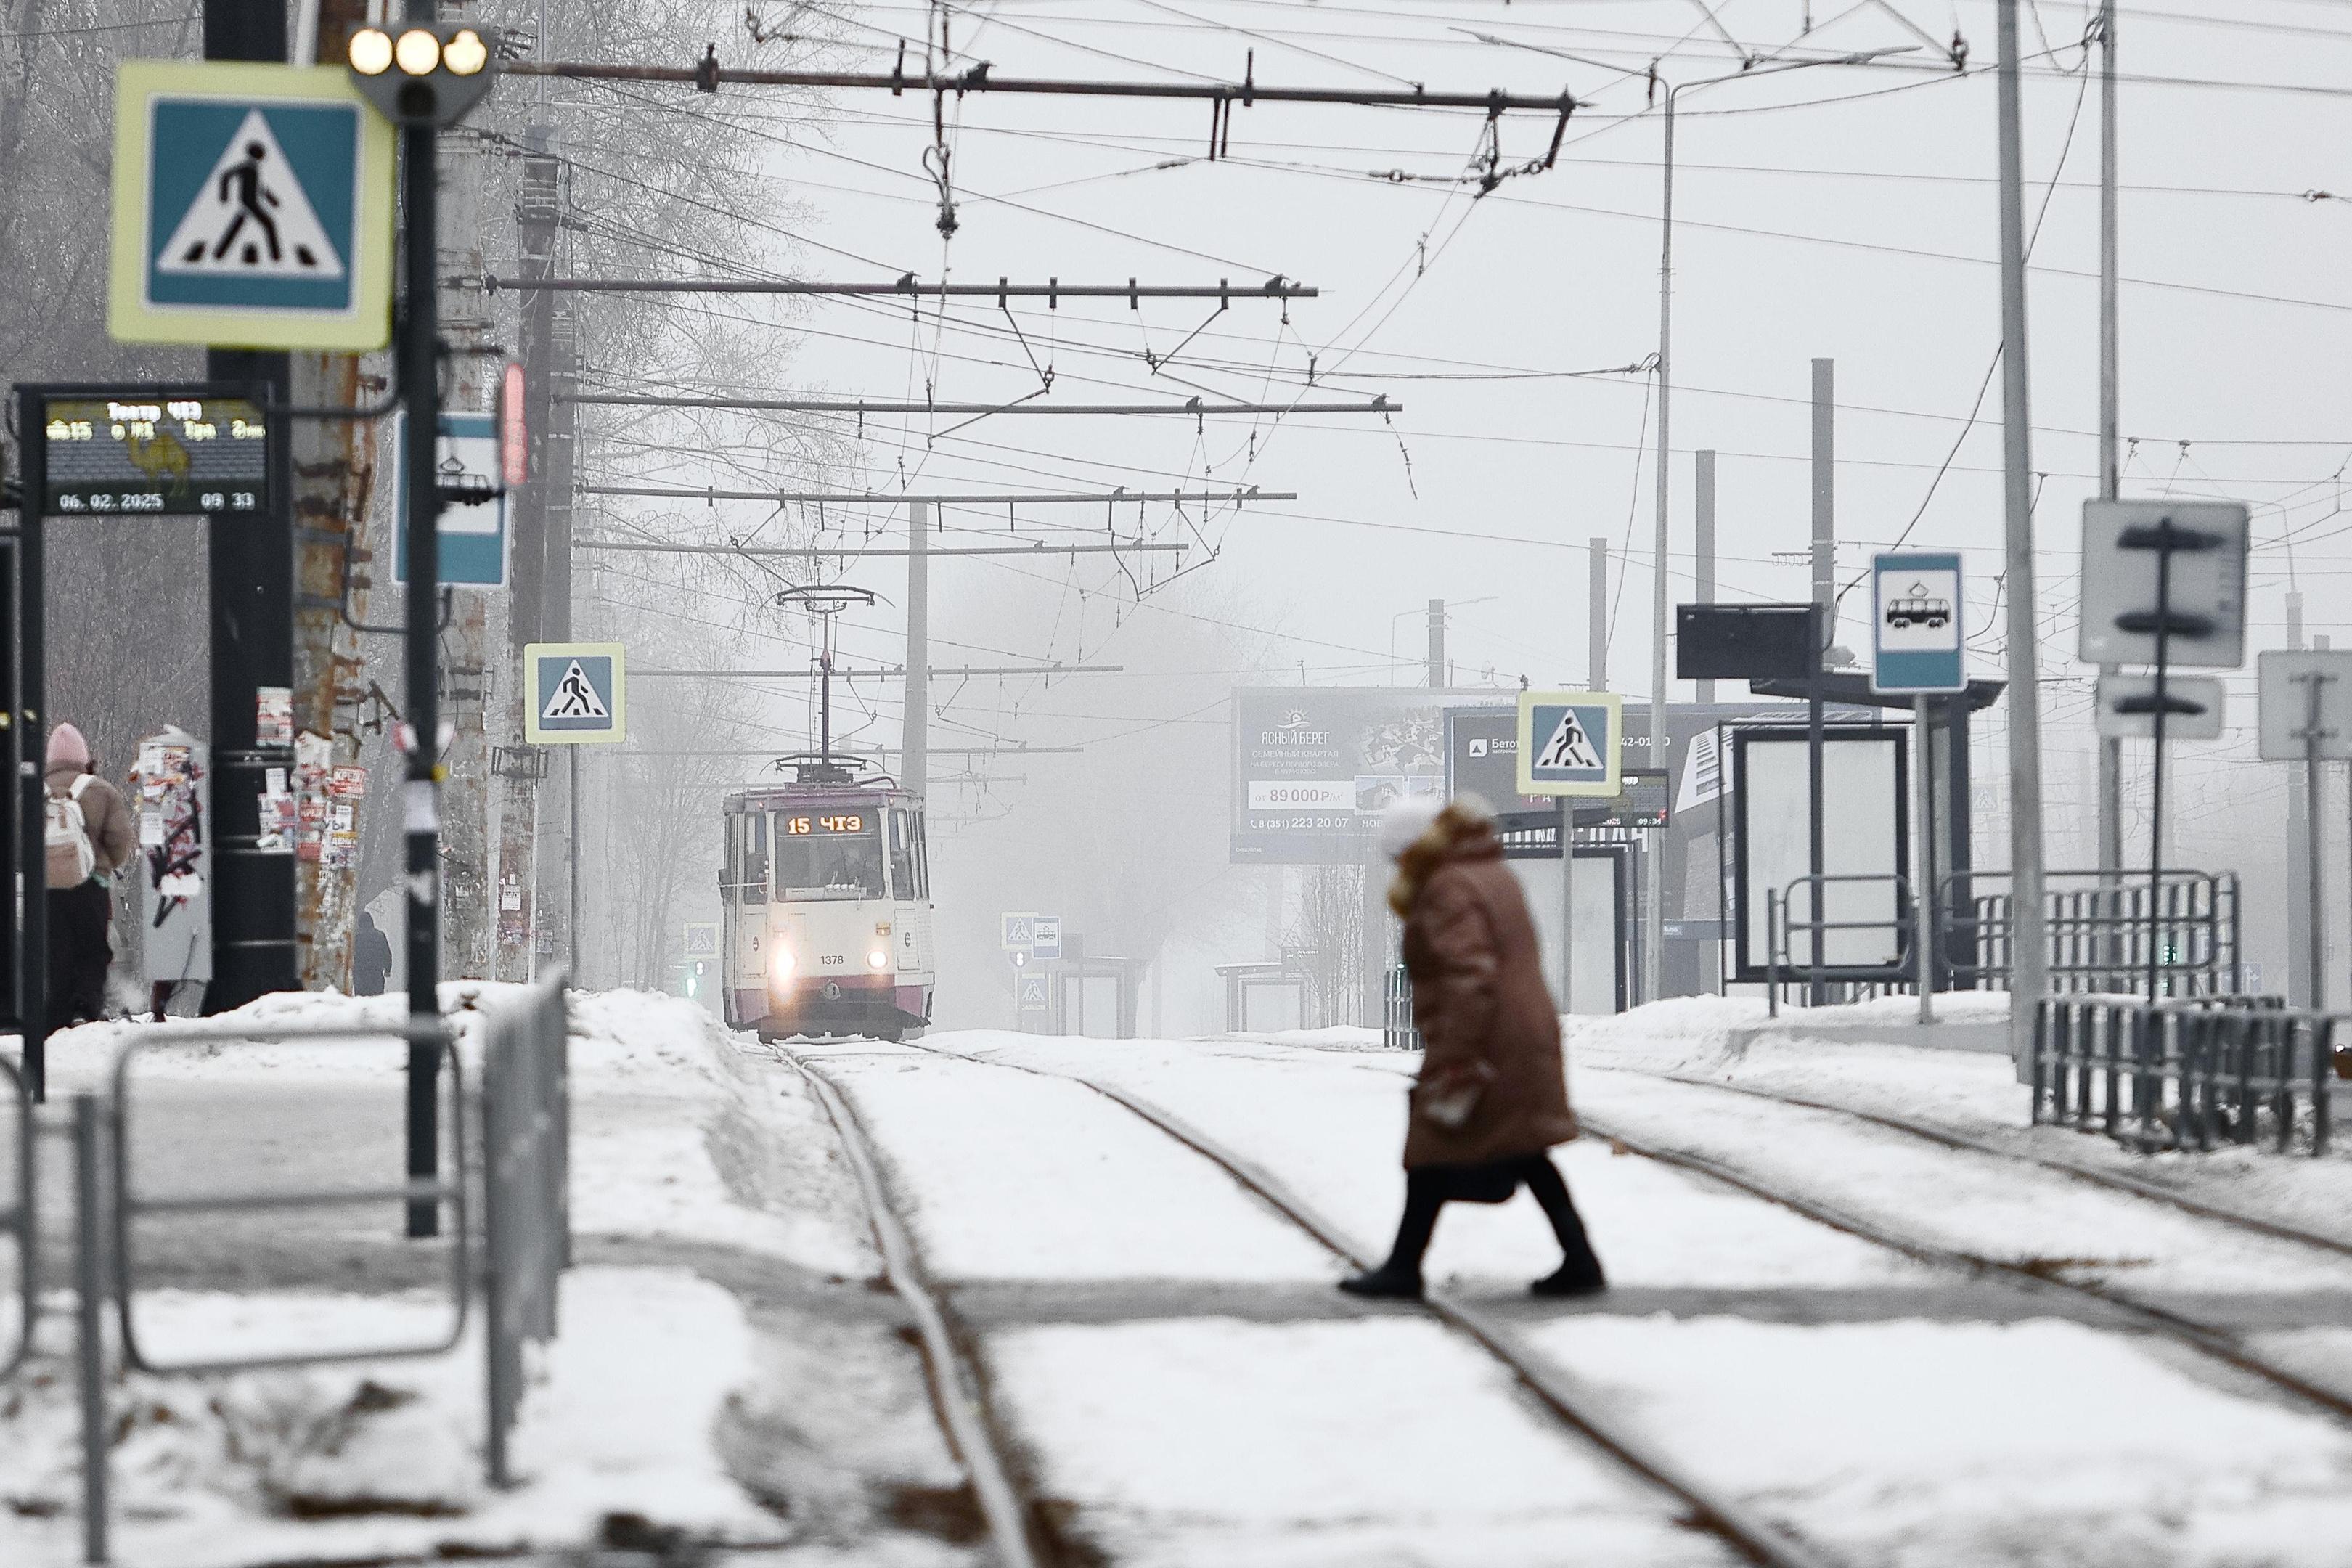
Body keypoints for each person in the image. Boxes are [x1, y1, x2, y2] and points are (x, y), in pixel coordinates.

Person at [1339, 793, 1607, 1301]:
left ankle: (1403, 1267)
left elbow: (1469, 975)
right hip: (1519, 1032)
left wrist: (1455, 1054)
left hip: (1488, 1037)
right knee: (1525, 1150)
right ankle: (1580, 1259)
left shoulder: (1448, 887)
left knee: (1433, 1147)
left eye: (1398, 860)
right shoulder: (1490, 872)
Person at [44, 724, 134, 1026]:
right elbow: (120, 841)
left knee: (56, 951)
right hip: (91, 885)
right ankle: (85, 1009)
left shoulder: (33, 790)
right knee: (93, 949)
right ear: (84, 757)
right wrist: (104, 865)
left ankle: (56, 1015)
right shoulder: (100, 791)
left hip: (45, 887)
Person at [353, 910, 393, 997]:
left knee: (361, 1002)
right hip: (376, 975)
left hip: (360, 976)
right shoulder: (380, 936)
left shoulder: (356, 937)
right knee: (377, 1001)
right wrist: (387, 970)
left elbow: (351, 956)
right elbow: (387, 954)